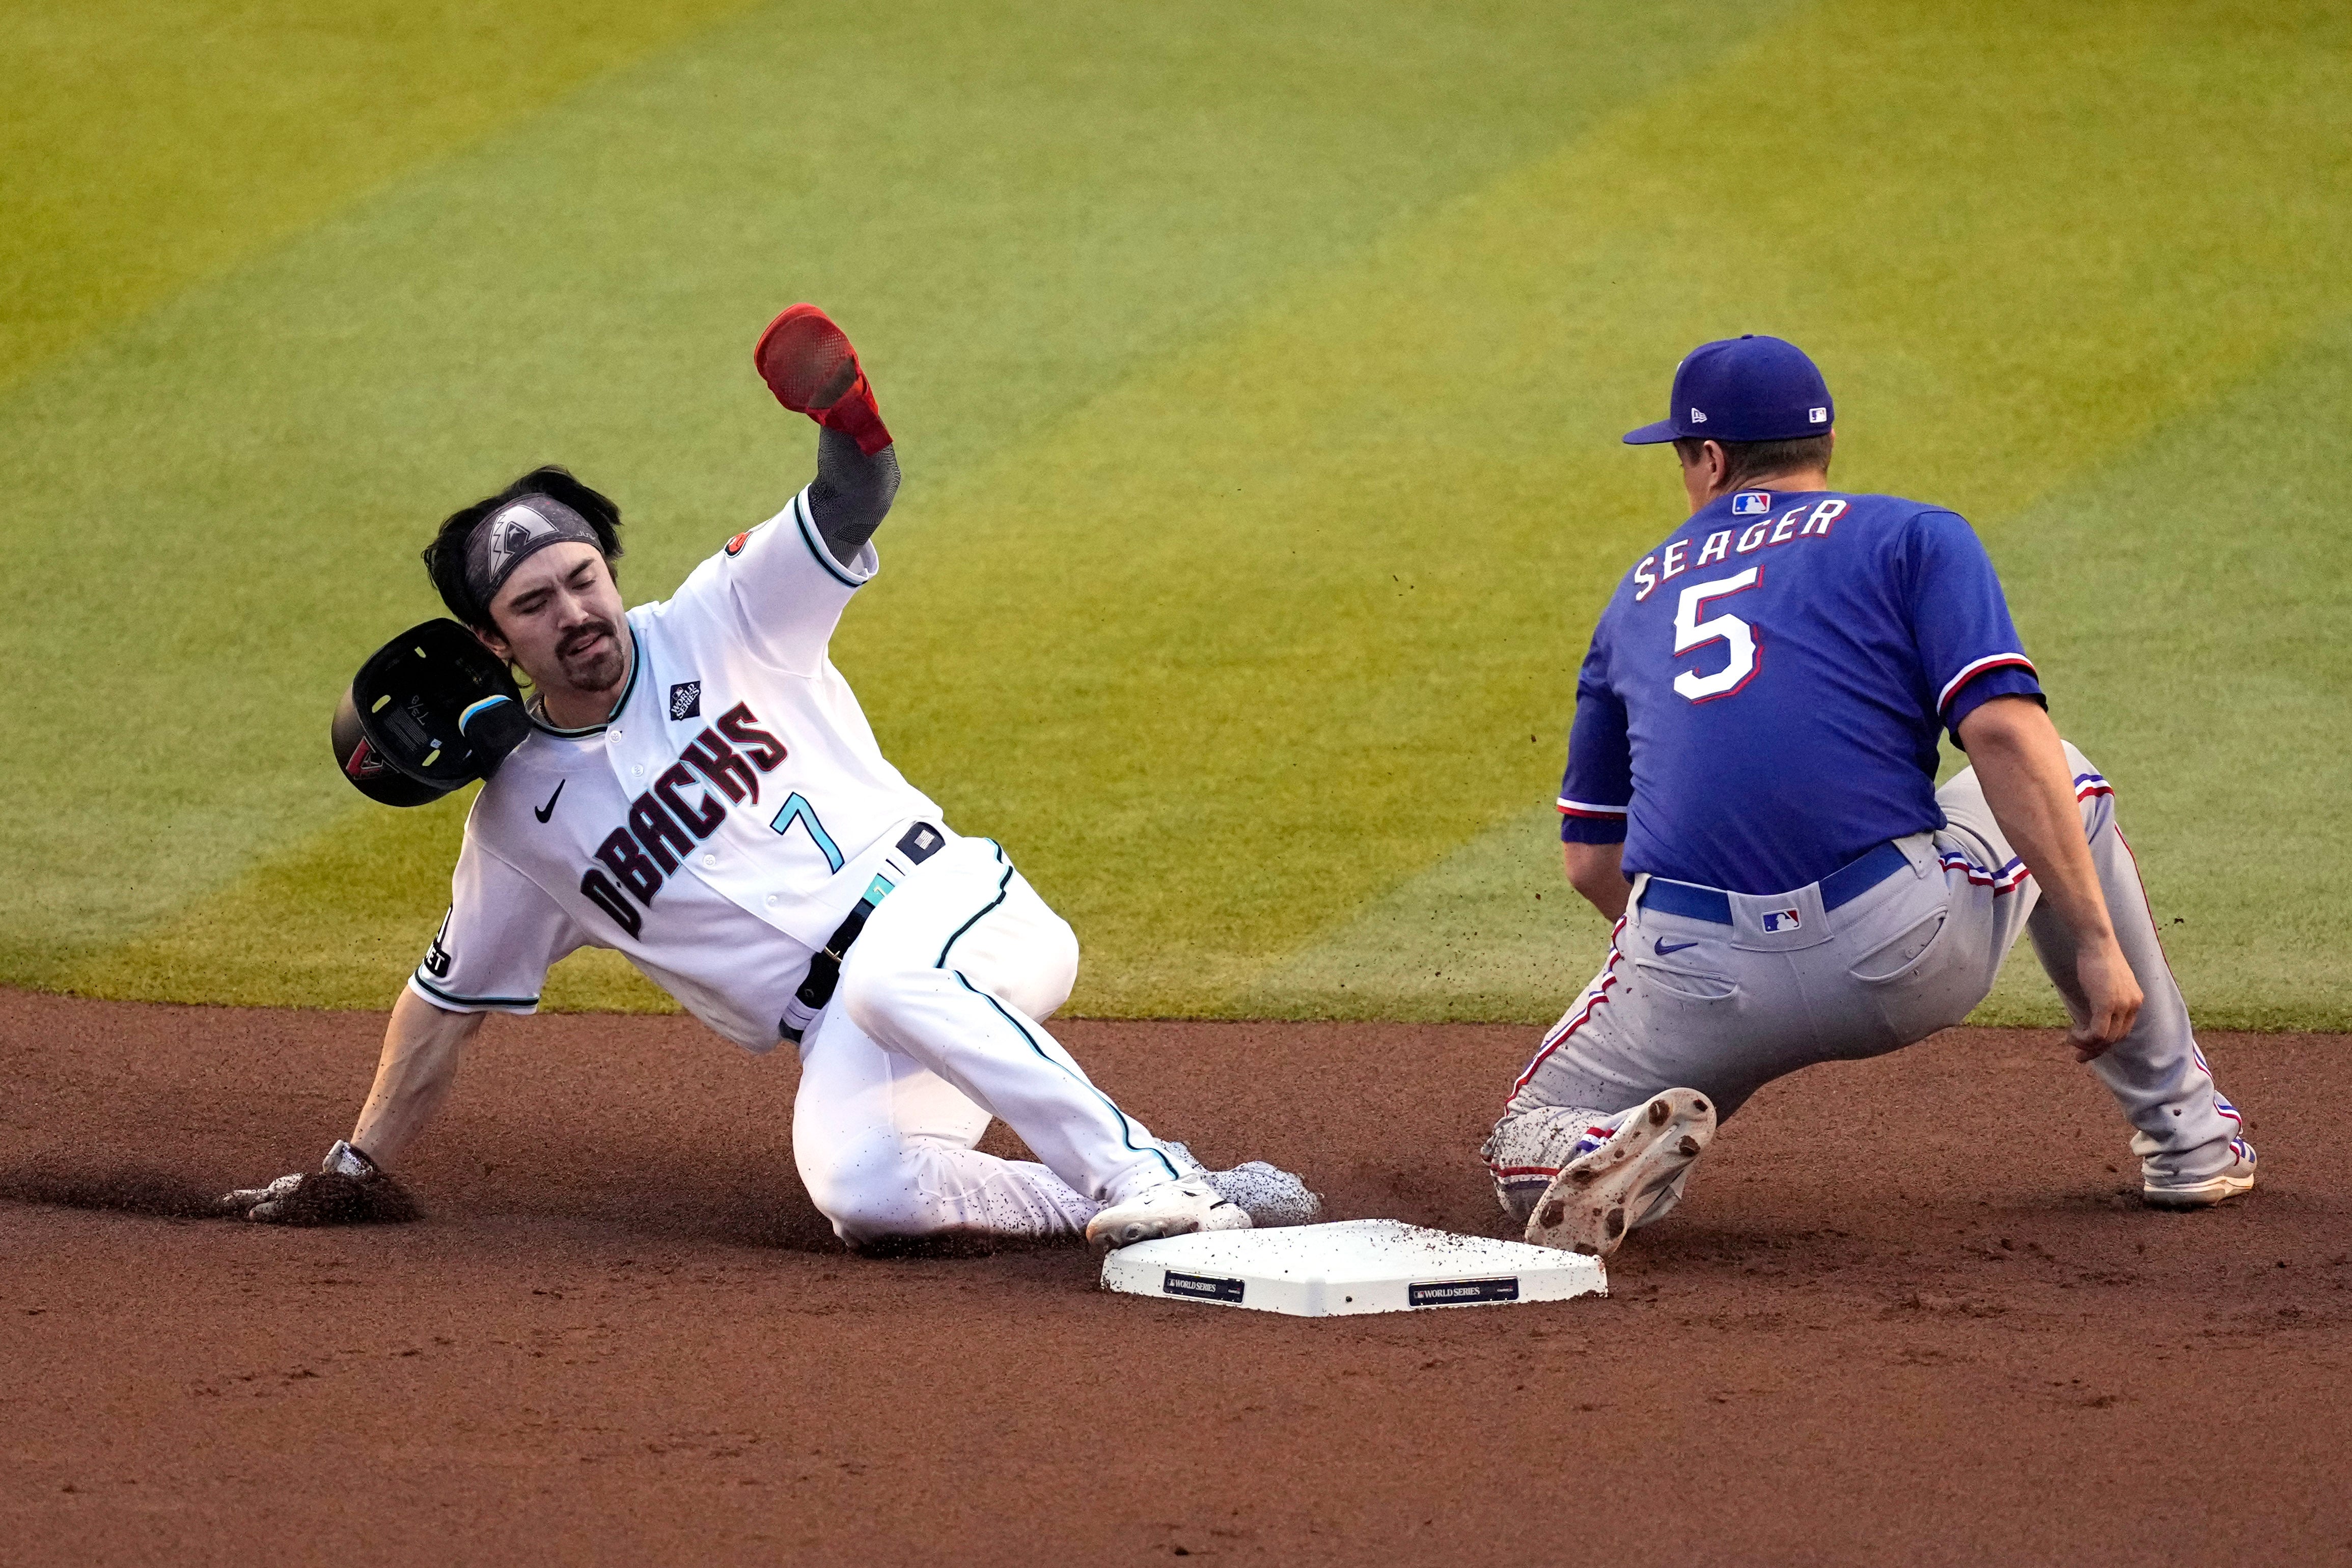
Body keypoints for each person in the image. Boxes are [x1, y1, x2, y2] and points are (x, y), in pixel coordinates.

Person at [223, 304, 1316, 1251]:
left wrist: (849, 414)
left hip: (956, 913)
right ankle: (1192, 1180)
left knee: (893, 979)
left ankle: (1147, 1182)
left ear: (611, 570)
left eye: (582, 578)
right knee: (862, 1190)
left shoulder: (725, 611)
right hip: (854, 1023)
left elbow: (851, 500)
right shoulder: (521, 832)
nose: (575, 614)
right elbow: (440, 1011)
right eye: (534, 604)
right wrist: (349, 1171)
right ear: (495, 639)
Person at [1485, 334, 2254, 1258]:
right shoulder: (1913, 535)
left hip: (1692, 967)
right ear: (1827, 441)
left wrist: (1710, 994)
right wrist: (2094, 943)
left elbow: (1591, 863)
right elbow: (2007, 735)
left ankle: (1607, 1146)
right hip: (1897, 953)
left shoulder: (1636, 595)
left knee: (1524, 1131)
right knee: (2070, 774)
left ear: (1711, 459)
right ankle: (2190, 1146)